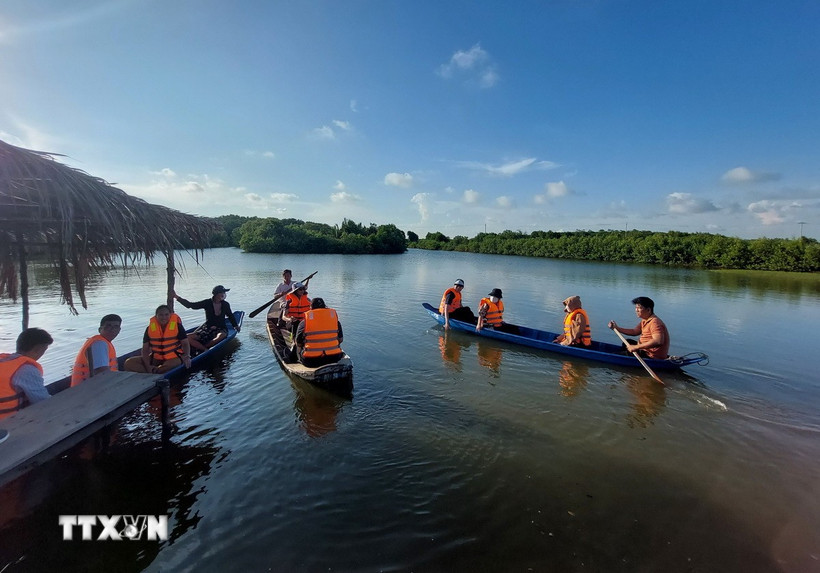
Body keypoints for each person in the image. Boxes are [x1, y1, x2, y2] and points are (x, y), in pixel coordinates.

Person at [0, 328, 53, 419]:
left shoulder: (4, 361)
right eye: (44, 350)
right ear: (38, 349)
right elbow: (42, 402)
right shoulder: (26, 369)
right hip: (7, 425)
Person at [124, 305, 192, 374]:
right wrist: (148, 366)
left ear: (170, 315)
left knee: (175, 363)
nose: (164, 317)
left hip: (173, 358)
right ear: (156, 316)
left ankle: (154, 372)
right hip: (155, 358)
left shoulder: (178, 326)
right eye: (161, 315)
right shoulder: (149, 328)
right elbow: (145, 349)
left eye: (166, 315)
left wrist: (187, 356)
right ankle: (153, 372)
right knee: (128, 362)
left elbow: (185, 343)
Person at [174, 285, 241, 353]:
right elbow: (191, 305)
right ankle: (203, 349)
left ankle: (203, 347)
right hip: (208, 328)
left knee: (221, 336)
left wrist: (235, 325)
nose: (224, 294)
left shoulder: (225, 304)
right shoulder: (207, 302)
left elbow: (230, 315)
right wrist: (176, 297)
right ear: (217, 294)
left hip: (221, 328)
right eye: (222, 293)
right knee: (187, 337)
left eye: (224, 293)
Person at [71, 314, 122, 387]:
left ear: (119, 330)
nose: (112, 329)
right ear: (100, 329)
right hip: (87, 392)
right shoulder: (99, 344)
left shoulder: (104, 342)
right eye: (108, 326)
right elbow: (102, 373)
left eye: (116, 327)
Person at [294, 298, 344, 367]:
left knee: (296, 343)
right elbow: (341, 340)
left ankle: (295, 361)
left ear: (311, 308)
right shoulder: (335, 321)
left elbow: (299, 343)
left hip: (311, 361)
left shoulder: (304, 322)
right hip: (334, 358)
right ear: (325, 306)